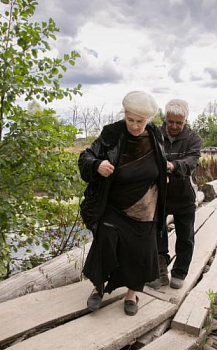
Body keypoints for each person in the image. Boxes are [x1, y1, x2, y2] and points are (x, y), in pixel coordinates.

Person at [78, 91, 167, 316]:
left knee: (139, 251)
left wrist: (163, 174)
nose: (135, 126)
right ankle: (97, 289)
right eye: (130, 120)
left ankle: (131, 293)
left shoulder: (155, 134)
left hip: (145, 206)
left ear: (148, 120)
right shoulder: (112, 133)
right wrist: (97, 165)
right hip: (114, 204)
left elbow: (161, 160)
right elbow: (85, 157)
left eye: (140, 121)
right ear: (124, 115)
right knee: (105, 243)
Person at [147, 99, 202, 289]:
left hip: (184, 196)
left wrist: (172, 166)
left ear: (185, 120)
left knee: (185, 237)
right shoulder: (154, 135)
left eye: (179, 122)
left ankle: (179, 272)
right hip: (159, 196)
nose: (174, 126)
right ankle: (159, 272)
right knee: (157, 234)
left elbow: (192, 161)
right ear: (165, 118)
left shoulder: (193, 139)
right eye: (171, 122)